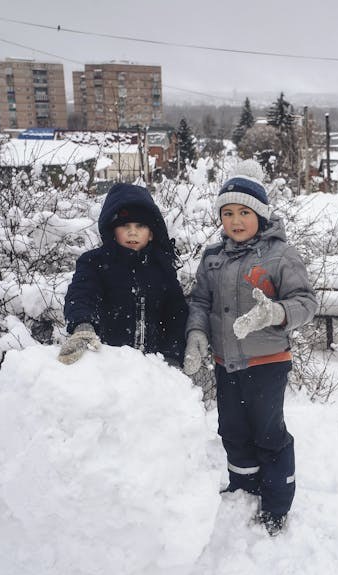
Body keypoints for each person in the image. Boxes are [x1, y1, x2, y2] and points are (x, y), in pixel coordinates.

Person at [183, 160, 317, 536]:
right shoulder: (212, 258)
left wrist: (276, 312)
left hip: (268, 362)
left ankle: (275, 505)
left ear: (260, 214)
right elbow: (200, 303)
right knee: (233, 430)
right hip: (227, 363)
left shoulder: (280, 255)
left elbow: (306, 303)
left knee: (269, 434)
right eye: (228, 213)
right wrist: (197, 333)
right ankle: (244, 488)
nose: (236, 220)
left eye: (244, 212)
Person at [59, 183, 187, 367]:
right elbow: (82, 294)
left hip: (153, 368)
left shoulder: (162, 269)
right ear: (113, 230)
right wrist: (83, 324)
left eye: (140, 225)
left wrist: (173, 354)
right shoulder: (95, 263)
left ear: (151, 234)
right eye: (125, 225)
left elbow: (176, 313)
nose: (132, 231)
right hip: (107, 363)